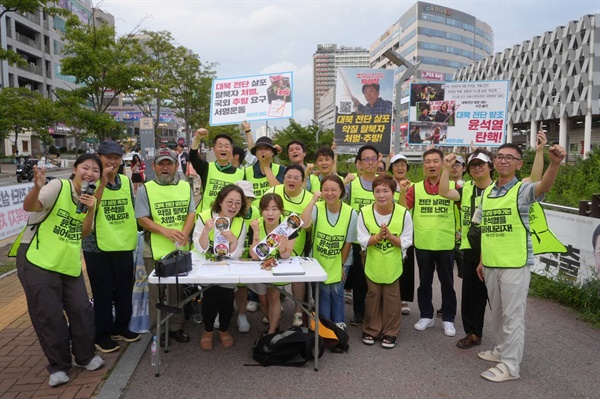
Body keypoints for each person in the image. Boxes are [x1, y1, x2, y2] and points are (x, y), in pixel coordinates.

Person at [473, 142, 566, 382]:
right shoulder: (487, 193)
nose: (504, 160)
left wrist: (553, 163)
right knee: (498, 313)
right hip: (492, 264)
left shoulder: (522, 191)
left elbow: (543, 185)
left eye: (510, 158)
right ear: (494, 163)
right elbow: (485, 229)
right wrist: (482, 261)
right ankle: (501, 351)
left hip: (515, 264)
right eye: (500, 157)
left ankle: (511, 366)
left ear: (519, 164)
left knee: (513, 316)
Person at [14, 154, 105, 387]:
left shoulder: (89, 196)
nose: (90, 173)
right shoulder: (58, 186)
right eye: (86, 167)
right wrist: (36, 188)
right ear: (74, 169)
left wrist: (91, 209)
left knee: (81, 309)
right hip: (37, 258)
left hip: (68, 261)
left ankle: (85, 357)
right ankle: (58, 366)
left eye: (96, 170)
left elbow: (84, 232)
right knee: (49, 314)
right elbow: (30, 206)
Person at [83, 141, 140, 353]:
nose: (113, 161)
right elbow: (89, 207)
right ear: (99, 157)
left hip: (123, 244)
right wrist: (102, 182)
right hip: (96, 247)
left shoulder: (125, 181)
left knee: (124, 289)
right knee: (103, 292)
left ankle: (121, 327)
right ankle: (102, 334)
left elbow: (132, 209)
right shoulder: (90, 181)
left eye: (117, 157)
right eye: (108, 157)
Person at [135, 149, 196, 346]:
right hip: (154, 250)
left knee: (176, 291)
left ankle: (176, 327)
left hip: (179, 250)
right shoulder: (146, 189)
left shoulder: (186, 187)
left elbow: (191, 213)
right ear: (154, 167)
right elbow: (142, 219)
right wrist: (165, 231)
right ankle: (158, 330)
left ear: (176, 166)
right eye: (161, 164)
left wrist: (185, 233)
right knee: (156, 293)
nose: (165, 168)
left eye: (169, 163)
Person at [398, 148, 458, 337]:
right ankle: (426, 315)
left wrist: (461, 232)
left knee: (447, 283)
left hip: (445, 243)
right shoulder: (415, 188)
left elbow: (466, 210)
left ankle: (448, 318)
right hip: (423, 243)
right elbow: (402, 210)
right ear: (423, 165)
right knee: (424, 282)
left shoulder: (454, 186)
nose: (431, 165)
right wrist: (402, 191)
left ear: (442, 164)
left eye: (435, 161)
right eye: (427, 162)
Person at [439, 149, 493, 350]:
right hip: (471, 250)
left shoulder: (500, 189)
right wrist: (446, 168)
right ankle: (473, 333)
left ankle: (506, 341)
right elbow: (444, 192)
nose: (477, 168)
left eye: (481, 164)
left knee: (499, 300)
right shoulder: (467, 188)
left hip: (495, 251)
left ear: (490, 166)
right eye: (473, 165)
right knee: (471, 296)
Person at [357, 175, 413, 349]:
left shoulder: (403, 213)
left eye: (386, 191)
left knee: (391, 296)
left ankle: (390, 331)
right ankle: (371, 329)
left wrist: (389, 237)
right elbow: (362, 239)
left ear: (393, 192)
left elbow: (406, 241)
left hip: (393, 261)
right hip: (372, 260)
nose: (381, 195)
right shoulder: (365, 212)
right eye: (377, 191)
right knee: (373, 295)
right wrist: (377, 237)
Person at [300, 175, 358, 329]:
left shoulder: (351, 213)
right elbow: (304, 224)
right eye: (326, 189)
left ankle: (339, 325)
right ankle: (325, 327)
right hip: (318, 258)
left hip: (342, 258)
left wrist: (340, 265)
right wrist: (313, 200)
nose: (329, 193)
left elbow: (348, 242)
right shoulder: (317, 208)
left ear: (341, 191)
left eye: (334, 189)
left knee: (337, 291)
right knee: (323, 292)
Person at [194, 185, 248, 350]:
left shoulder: (240, 222)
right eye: (229, 202)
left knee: (226, 296)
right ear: (221, 201)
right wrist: (206, 231)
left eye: (237, 203)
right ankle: (208, 331)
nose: (233, 207)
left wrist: (233, 241)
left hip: (228, 265)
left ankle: (224, 330)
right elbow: (198, 247)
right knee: (210, 296)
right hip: (206, 264)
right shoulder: (205, 217)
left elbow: (237, 253)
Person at [265, 165, 312, 327]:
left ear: (303, 181)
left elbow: (307, 225)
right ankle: (274, 315)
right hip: (272, 246)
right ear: (283, 178)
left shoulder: (308, 197)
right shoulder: (274, 191)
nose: (291, 180)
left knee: (297, 281)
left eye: (296, 177)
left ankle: (298, 312)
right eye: (288, 176)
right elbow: (262, 212)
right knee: (273, 283)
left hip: (296, 246)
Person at [249, 193, 297, 335]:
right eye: (266, 209)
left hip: (278, 267)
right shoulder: (256, 224)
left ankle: (272, 332)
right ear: (261, 211)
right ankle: (272, 323)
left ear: (281, 211)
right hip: (259, 268)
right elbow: (254, 256)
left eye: (274, 209)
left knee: (273, 296)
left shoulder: (288, 226)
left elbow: (286, 255)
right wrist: (256, 232)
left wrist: (283, 248)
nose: (270, 213)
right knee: (263, 301)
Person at [344, 145, 380, 326]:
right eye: (366, 159)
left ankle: (376, 313)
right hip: (359, 239)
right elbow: (339, 200)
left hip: (379, 239)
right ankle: (359, 312)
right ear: (359, 163)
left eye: (373, 158)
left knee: (377, 278)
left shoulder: (383, 183)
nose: (370, 162)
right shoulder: (353, 183)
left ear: (378, 161)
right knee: (359, 279)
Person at [189, 128, 244, 212]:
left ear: (231, 149)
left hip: (229, 218)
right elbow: (193, 157)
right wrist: (197, 138)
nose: (223, 149)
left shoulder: (241, 173)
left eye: (226, 146)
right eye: (220, 146)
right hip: (206, 218)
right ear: (214, 149)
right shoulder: (206, 168)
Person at [387, 153, 415, 316]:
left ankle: (403, 298)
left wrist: (403, 191)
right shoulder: (386, 184)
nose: (400, 167)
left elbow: (405, 209)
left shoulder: (413, 186)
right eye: (396, 164)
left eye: (403, 164)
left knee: (406, 264)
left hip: (406, 230)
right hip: (387, 228)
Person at [245, 136, 286, 206]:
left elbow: (279, 193)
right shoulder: (246, 172)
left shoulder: (281, 169)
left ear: (273, 153)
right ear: (255, 154)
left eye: (267, 148)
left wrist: (266, 166)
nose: (263, 151)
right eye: (260, 149)